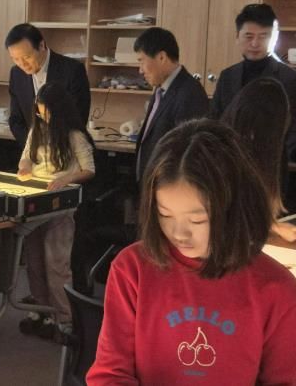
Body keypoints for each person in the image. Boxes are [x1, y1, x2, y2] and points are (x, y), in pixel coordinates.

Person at [87, 119, 296, 385]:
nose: (179, 234)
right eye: (164, 215)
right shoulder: (132, 269)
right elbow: (110, 373)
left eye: (197, 220)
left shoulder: (276, 288)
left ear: (235, 210)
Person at [16, 83, 95, 340]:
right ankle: (41, 311)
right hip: (36, 201)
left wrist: (67, 178)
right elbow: (26, 157)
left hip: (61, 206)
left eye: (47, 113)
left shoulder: (74, 135)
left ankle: (64, 318)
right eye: (39, 112)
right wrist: (25, 167)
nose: (43, 117)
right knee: (34, 261)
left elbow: (88, 169)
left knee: (56, 264)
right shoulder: (37, 130)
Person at [211, 3, 296, 161]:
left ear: (274, 38)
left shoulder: (289, 78)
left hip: (270, 165)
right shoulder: (227, 76)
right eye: (249, 36)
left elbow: (292, 131)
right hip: (229, 163)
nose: (255, 44)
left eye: (263, 36)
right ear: (237, 37)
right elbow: (214, 122)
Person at [220, 77, 296, 241]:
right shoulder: (218, 154)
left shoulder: (274, 154)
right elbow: (222, 214)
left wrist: (271, 225)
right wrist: (272, 226)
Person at [134, 27, 208, 182]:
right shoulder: (161, 88)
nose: (140, 70)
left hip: (168, 185)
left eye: (142, 61)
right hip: (152, 183)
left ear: (161, 57)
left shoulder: (189, 93)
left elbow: (187, 152)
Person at [6, 23, 90, 148]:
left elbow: (78, 118)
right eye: (15, 59)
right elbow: (16, 120)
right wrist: (34, 148)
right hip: (32, 152)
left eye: (27, 57)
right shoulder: (16, 74)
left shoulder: (72, 70)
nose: (22, 64)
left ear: (41, 45)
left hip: (67, 150)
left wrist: (52, 148)